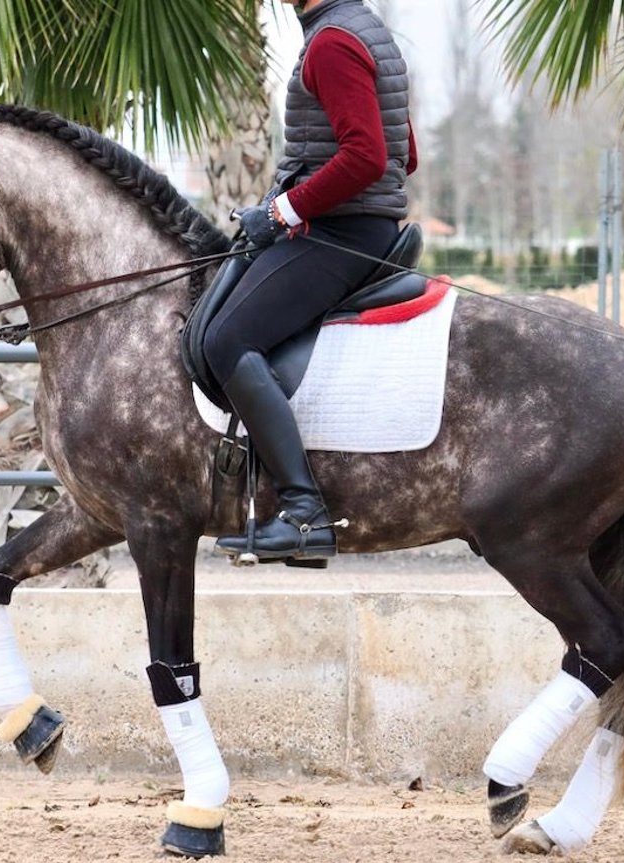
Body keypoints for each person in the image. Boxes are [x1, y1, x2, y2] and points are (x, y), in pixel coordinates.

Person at [204, 0, 418, 563]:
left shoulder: (331, 43)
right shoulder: (363, 28)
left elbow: (369, 157)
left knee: (227, 339)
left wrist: (282, 213)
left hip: (342, 234)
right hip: (356, 224)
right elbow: (406, 152)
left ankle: (302, 512)